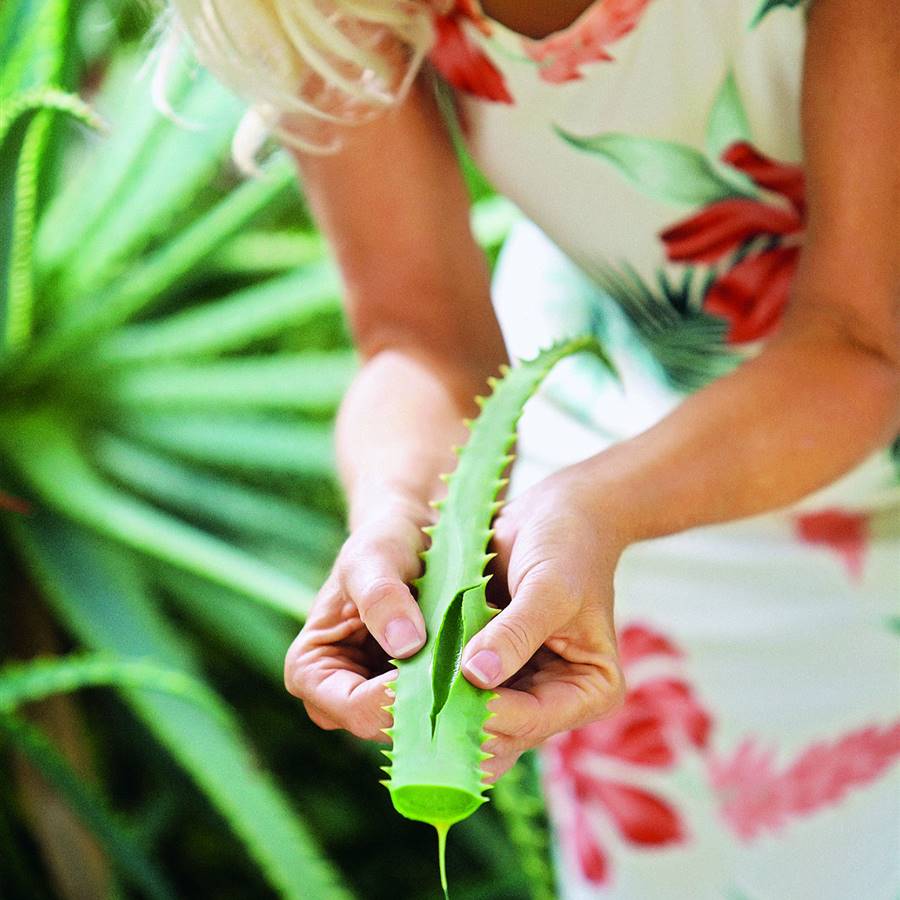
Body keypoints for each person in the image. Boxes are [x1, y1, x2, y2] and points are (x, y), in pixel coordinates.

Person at [167, 2, 899, 896]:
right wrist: (401, 516)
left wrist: (598, 508)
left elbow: (865, 345)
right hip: (630, 494)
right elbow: (417, 332)